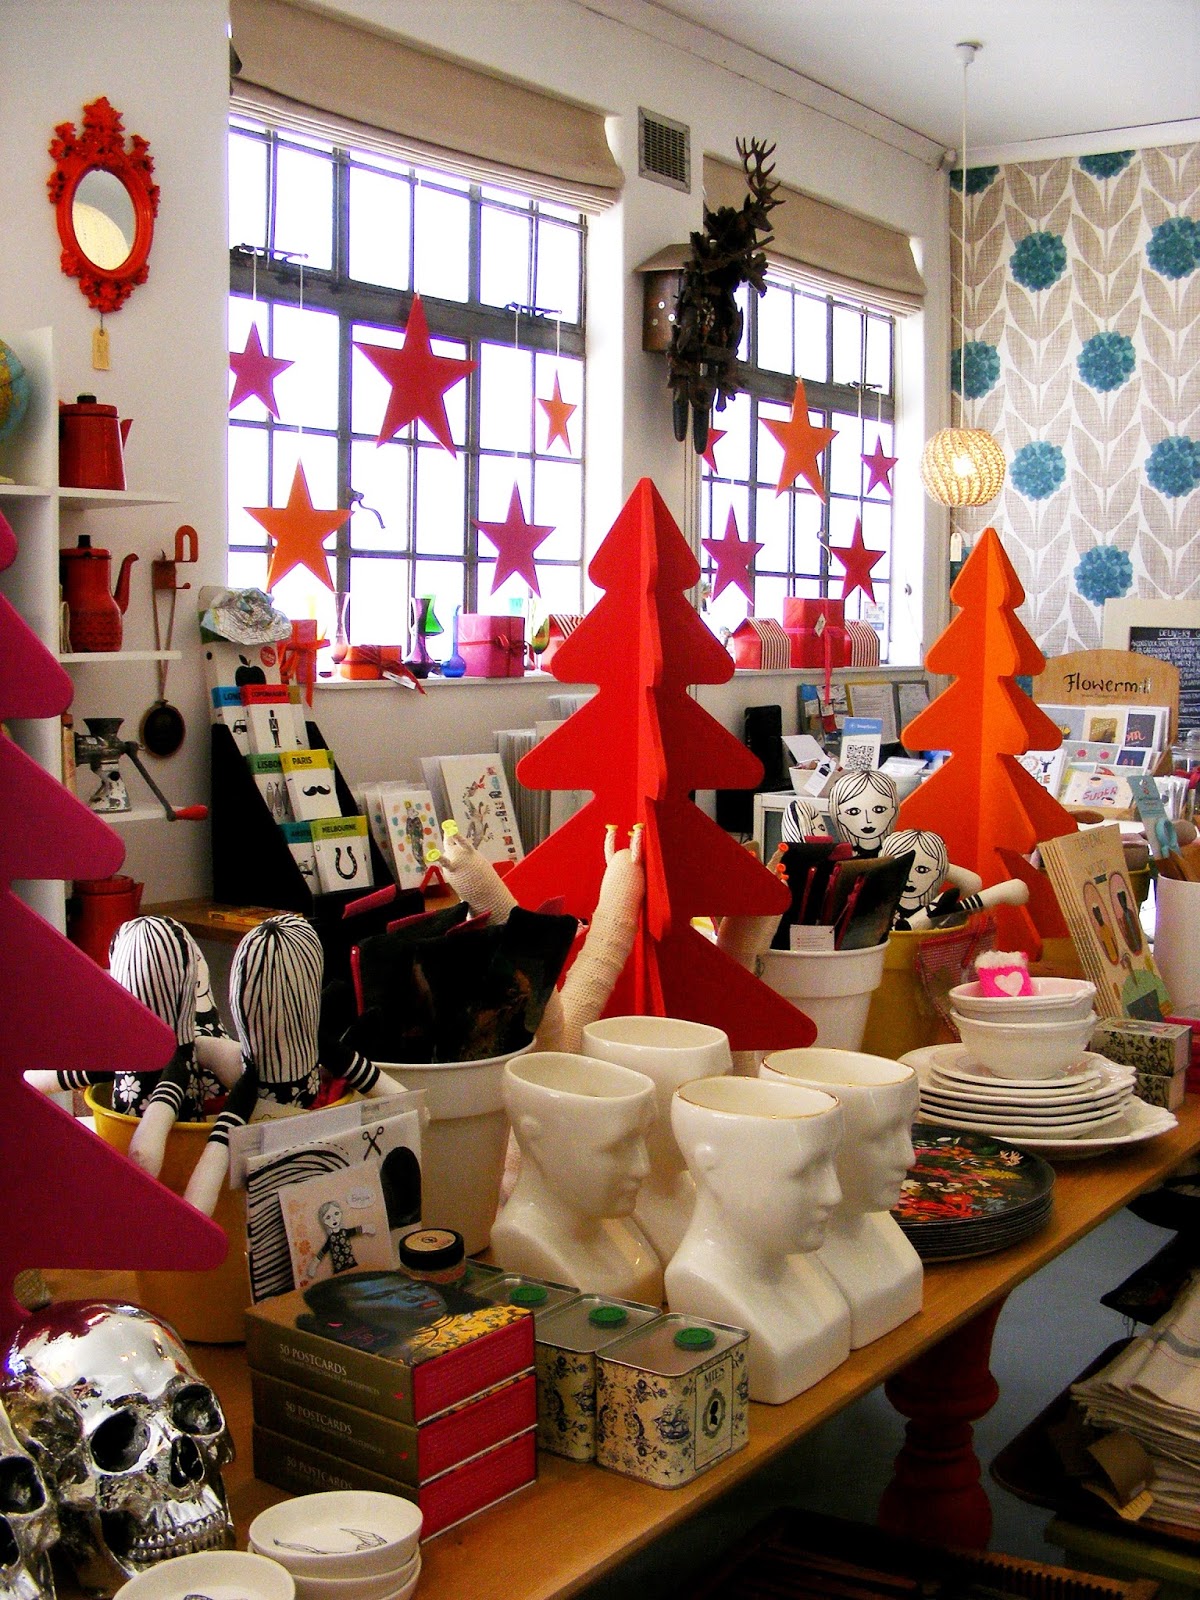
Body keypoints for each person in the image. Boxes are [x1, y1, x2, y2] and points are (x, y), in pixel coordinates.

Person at [665, 1075, 851, 1403]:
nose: (833, 1194)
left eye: (830, 1165)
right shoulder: (697, 1283)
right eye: (806, 1172)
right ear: (713, 1171)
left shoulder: (802, 1267)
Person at [762, 1049, 922, 1346]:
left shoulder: (885, 1235)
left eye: (909, 1126)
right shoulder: (799, 1260)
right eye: (882, 1136)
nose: (909, 1157)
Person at [491, 1051, 662, 1303]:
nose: (643, 1167)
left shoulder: (615, 1223)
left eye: (643, 1139)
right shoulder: (521, 1241)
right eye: (617, 1148)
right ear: (536, 1140)